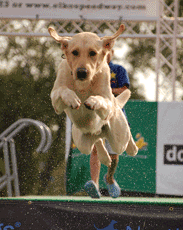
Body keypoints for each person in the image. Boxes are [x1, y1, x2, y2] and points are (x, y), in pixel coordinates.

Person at [84, 49, 130, 198]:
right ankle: (95, 184)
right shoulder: (92, 69)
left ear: (112, 53)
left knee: (114, 154)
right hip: (97, 115)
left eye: (106, 51)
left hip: (115, 114)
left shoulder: (118, 69)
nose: (104, 54)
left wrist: (106, 92)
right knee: (96, 149)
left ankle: (109, 178)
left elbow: (124, 90)